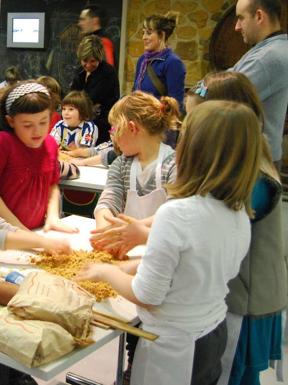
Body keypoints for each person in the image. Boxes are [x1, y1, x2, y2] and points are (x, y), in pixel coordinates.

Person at [78, 100, 262, 385]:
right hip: (211, 333)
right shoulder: (237, 210)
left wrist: (105, 272)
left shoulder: (176, 213)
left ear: (192, 149)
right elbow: (191, 267)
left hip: (176, 349)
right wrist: (135, 265)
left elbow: (147, 295)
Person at [174, 71, 286, 385]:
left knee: (230, 375)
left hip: (245, 300)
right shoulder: (243, 158)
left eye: (197, 121)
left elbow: (208, 226)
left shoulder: (253, 177)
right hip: (233, 294)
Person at [0, 82, 78, 232]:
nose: (37, 131)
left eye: (43, 122)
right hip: (0, 233)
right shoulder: (0, 143)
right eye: (27, 125)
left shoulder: (50, 144)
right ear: (11, 121)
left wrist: (53, 217)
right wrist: (19, 230)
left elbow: (52, 185)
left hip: (36, 231)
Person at [92, 91, 179, 248]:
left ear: (132, 128)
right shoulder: (121, 164)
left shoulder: (174, 165)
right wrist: (105, 231)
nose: (114, 138)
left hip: (162, 251)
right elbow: (108, 202)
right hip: (126, 247)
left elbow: (175, 212)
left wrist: (132, 231)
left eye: (114, 130)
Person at [231, 0, 288, 170]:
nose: (236, 27)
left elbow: (216, 94)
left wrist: (202, 89)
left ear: (259, 16)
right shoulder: (266, 49)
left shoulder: (268, 57)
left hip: (254, 162)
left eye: (241, 18)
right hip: (255, 158)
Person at [70, 35, 119, 145]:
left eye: (92, 61)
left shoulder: (108, 73)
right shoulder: (80, 72)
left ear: (99, 58)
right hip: (81, 126)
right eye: (85, 61)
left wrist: (83, 104)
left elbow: (89, 100)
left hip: (101, 128)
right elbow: (73, 98)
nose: (88, 65)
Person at [133, 12, 186, 110]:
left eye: (148, 33)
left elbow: (176, 104)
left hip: (160, 121)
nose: (143, 37)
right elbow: (135, 91)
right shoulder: (142, 60)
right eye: (143, 32)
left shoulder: (172, 62)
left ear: (161, 35)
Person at [51, 90, 98, 156]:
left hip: (83, 161)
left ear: (82, 112)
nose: (66, 113)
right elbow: (51, 145)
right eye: (64, 109)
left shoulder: (89, 127)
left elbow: (85, 151)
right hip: (63, 159)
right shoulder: (59, 125)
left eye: (71, 109)